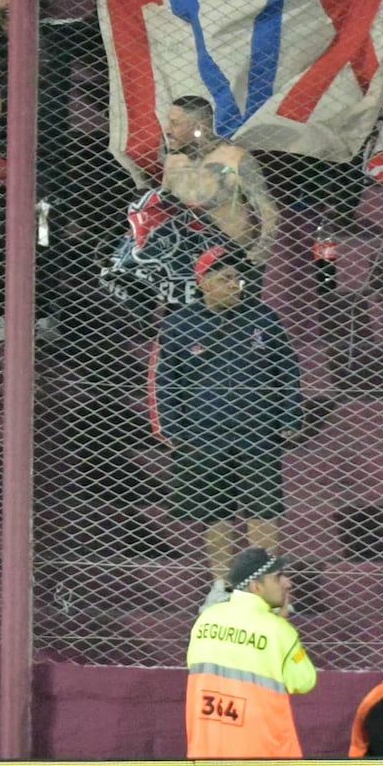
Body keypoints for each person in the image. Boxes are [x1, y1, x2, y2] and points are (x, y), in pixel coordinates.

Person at [155, 243, 307, 590]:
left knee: (264, 514)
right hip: (203, 436)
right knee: (216, 515)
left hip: (258, 434)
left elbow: (288, 369)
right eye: (225, 278)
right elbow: (165, 381)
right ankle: (221, 588)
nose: (235, 285)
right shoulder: (179, 324)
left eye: (237, 278)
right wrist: (174, 430)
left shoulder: (262, 317)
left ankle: (264, 588)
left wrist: (290, 416)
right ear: (203, 282)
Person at [180, 547, 318, 757]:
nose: (288, 583)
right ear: (256, 587)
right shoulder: (278, 631)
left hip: (206, 754)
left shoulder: (206, 619)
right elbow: (304, 681)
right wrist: (283, 627)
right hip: (263, 759)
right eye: (278, 577)